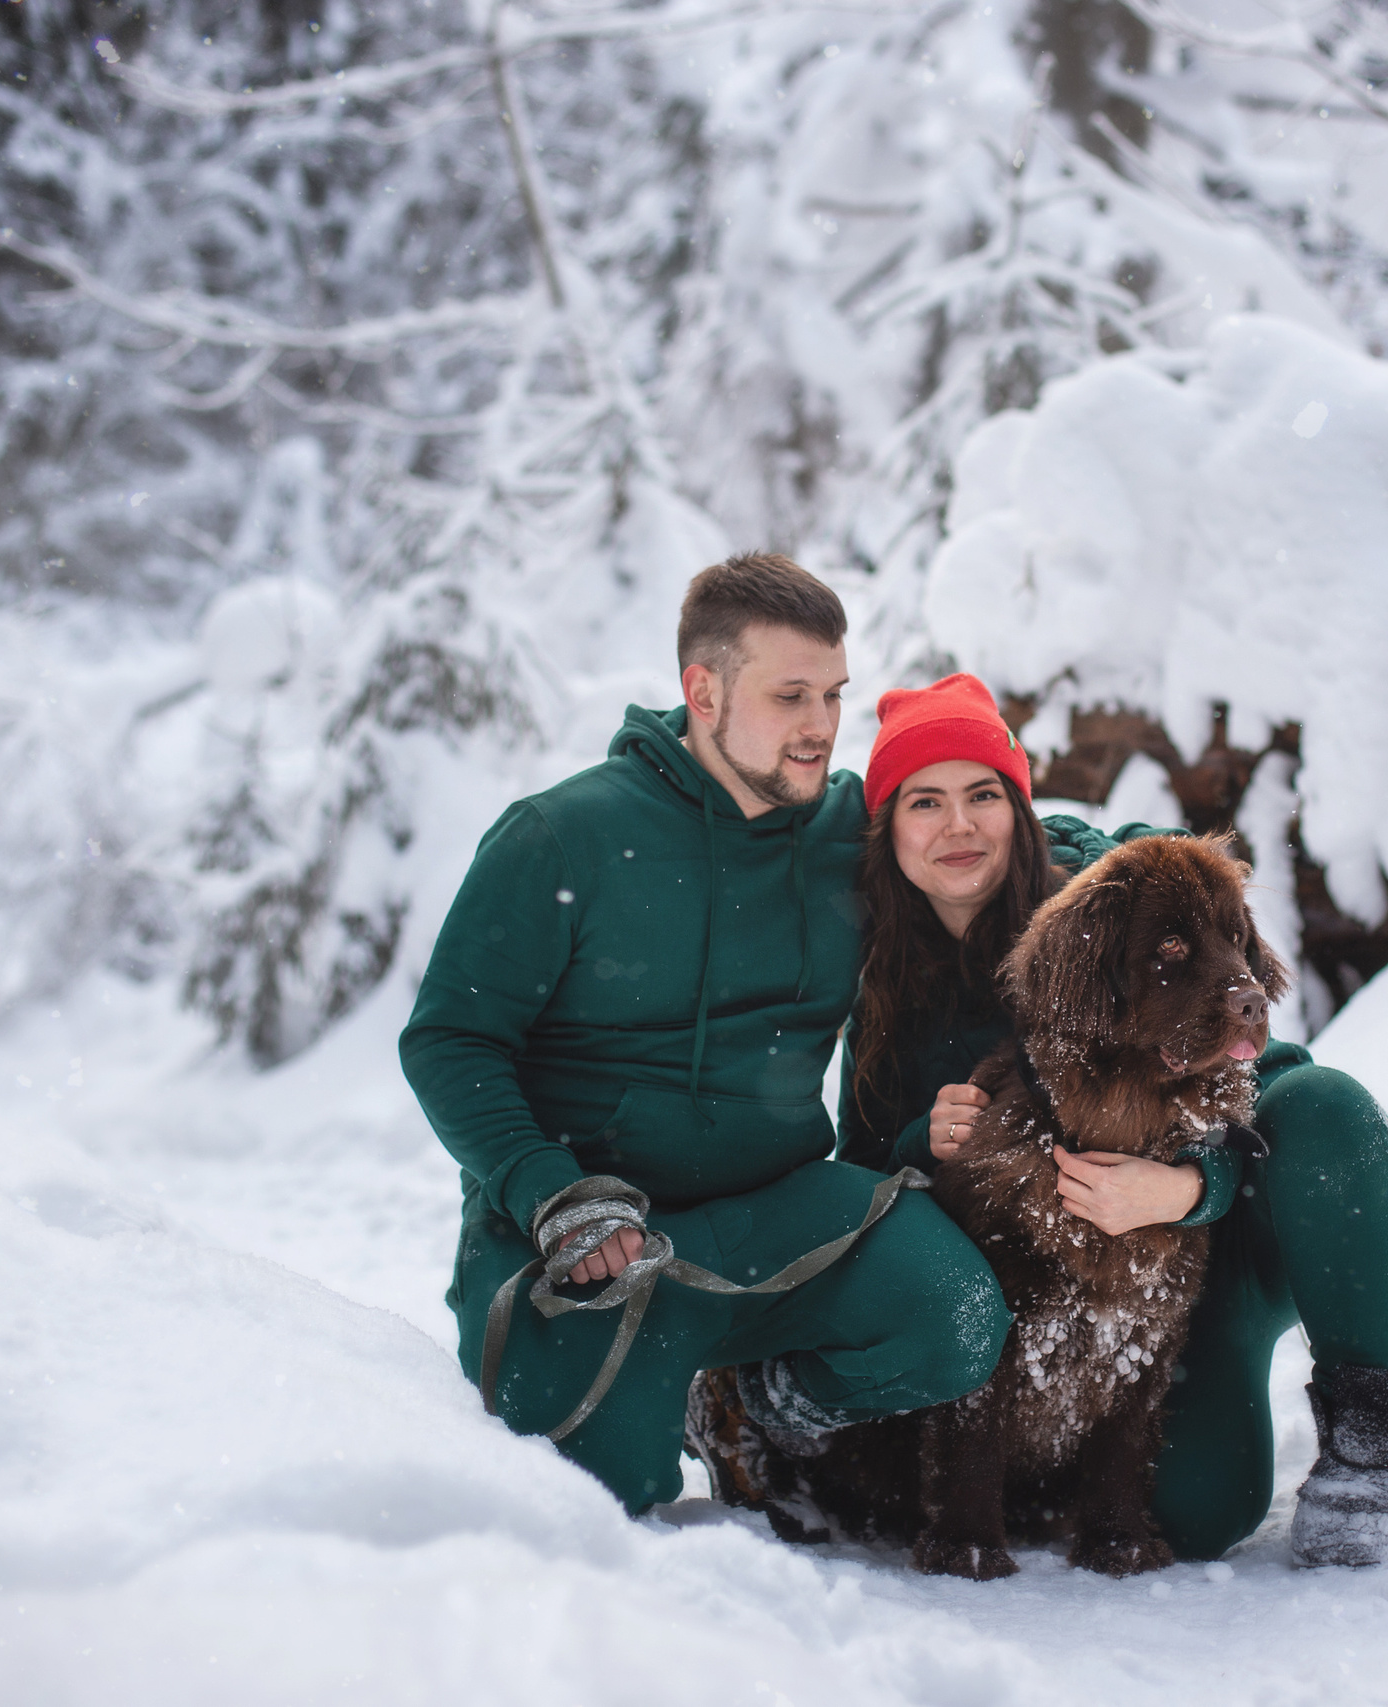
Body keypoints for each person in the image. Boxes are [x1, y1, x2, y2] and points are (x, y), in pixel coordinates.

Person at [400, 556, 1011, 1513]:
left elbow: (981, 841)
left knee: (954, 1315)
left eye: (834, 694)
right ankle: (641, 1393)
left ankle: (751, 1404)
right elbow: (448, 1038)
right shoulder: (561, 837)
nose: (821, 725)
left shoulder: (846, 831)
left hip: (775, 1216)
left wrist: (1128, 868)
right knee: (595, 1495)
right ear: (705, 691)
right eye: (791, 695)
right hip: (589, 1235)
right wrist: (550, 1189)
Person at [830, 672, 1388, 1567]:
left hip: (1197, 1251)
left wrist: (1189, 1187)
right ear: (890, 827)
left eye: (983, 794)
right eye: (925, 801)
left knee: (1329, 1105)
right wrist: (925, 1140)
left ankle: (1369, 1445)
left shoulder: (1113, 893)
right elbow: (863, 1167)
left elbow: (1271, 1075)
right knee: (1198, 1513)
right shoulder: (882, 978)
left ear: (1019, 805)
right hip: (1059, 1290)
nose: (959, 826)